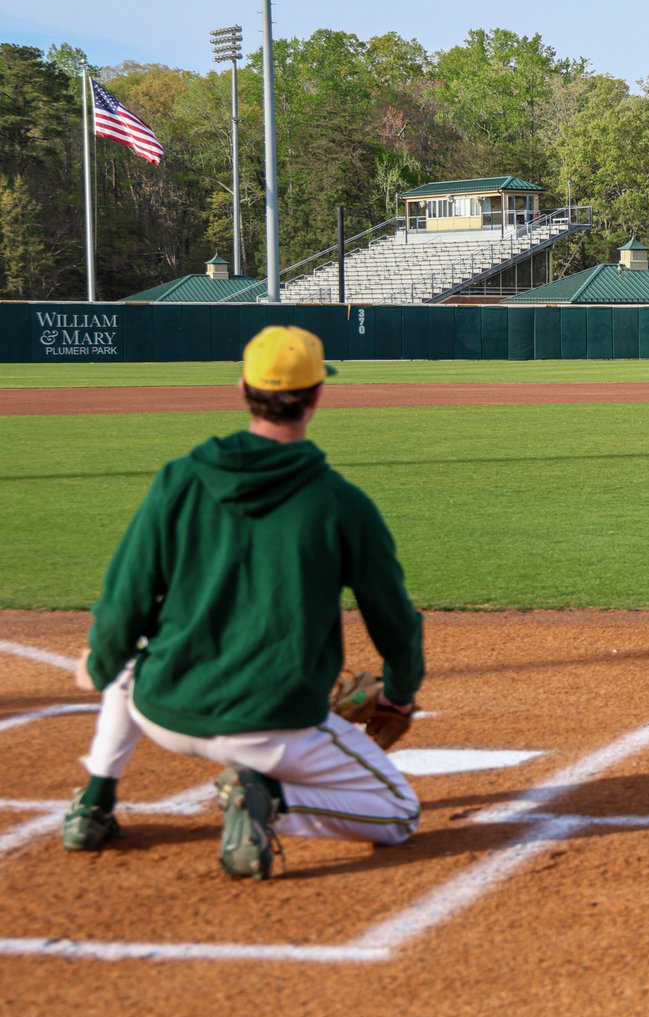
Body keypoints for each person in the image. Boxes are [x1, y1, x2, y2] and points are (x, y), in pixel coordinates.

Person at [65, 325, 424, 879]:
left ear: (243, 389)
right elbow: (393, 620)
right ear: (316, 396)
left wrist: (98, 663)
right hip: (271, 731)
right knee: (399, 813)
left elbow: (125, 600)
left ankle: (93, 803)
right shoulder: (341, 503)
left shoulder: (179, 480)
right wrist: (398, 695)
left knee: (130, 655)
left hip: (164, 710)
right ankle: (270, 799)